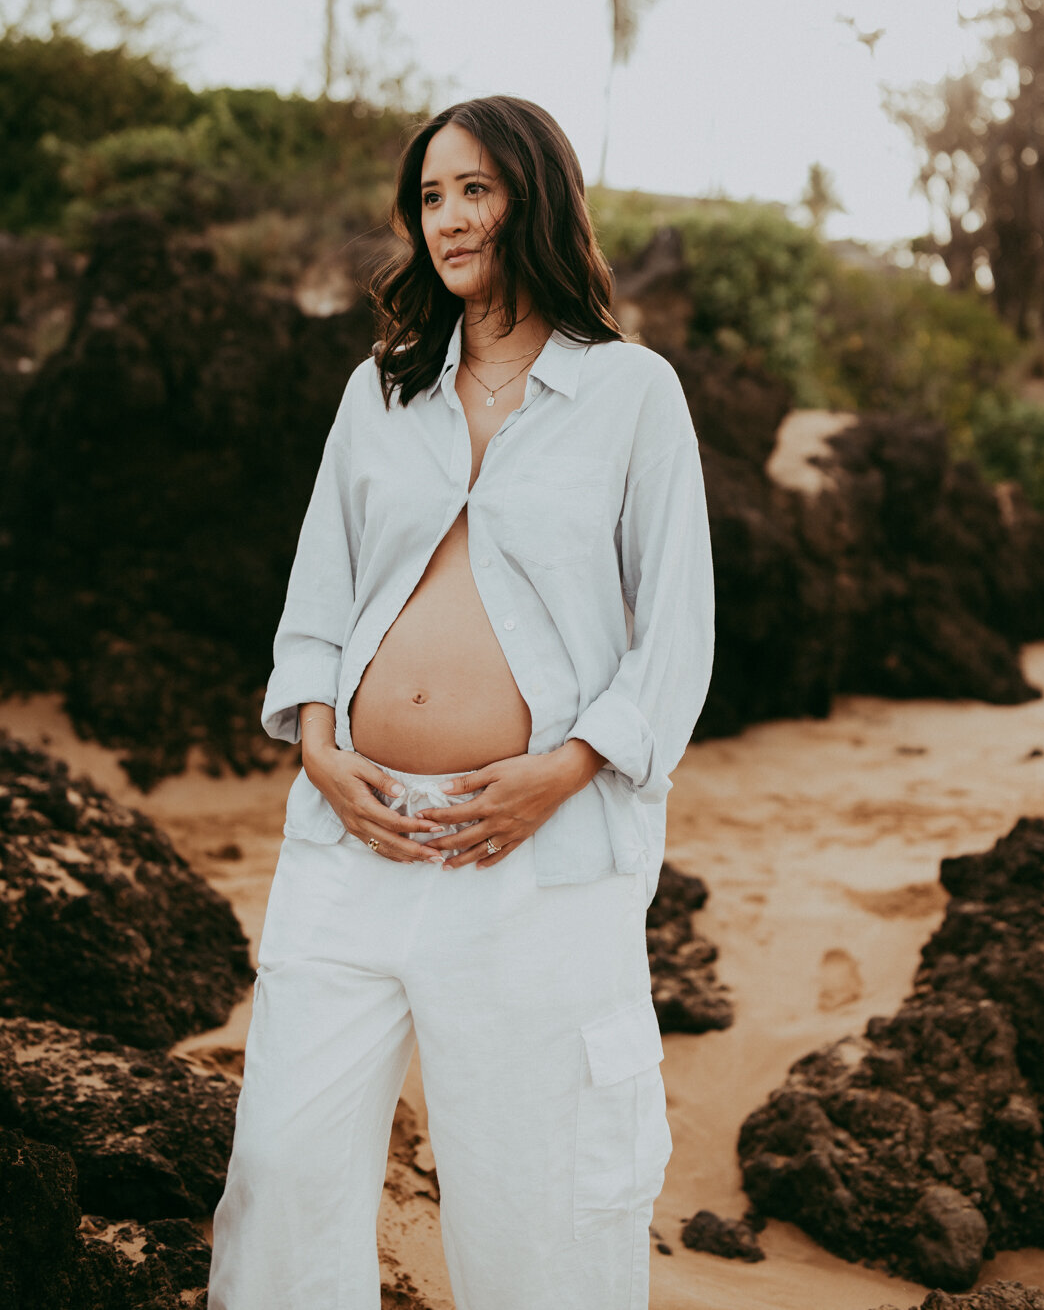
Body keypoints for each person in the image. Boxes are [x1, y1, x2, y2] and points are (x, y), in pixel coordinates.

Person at [206, 94, 715, 1310]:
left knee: (537, 1208)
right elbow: (317, 598)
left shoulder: (632, 392)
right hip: (352, 837)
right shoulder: (377, 392)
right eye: (430, 196)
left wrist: (566, 768)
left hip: (529, 854)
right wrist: (319, 749)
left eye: (474, 188)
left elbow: (679, 632)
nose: (448, 218)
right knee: (281, 1168)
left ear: (534, 197)